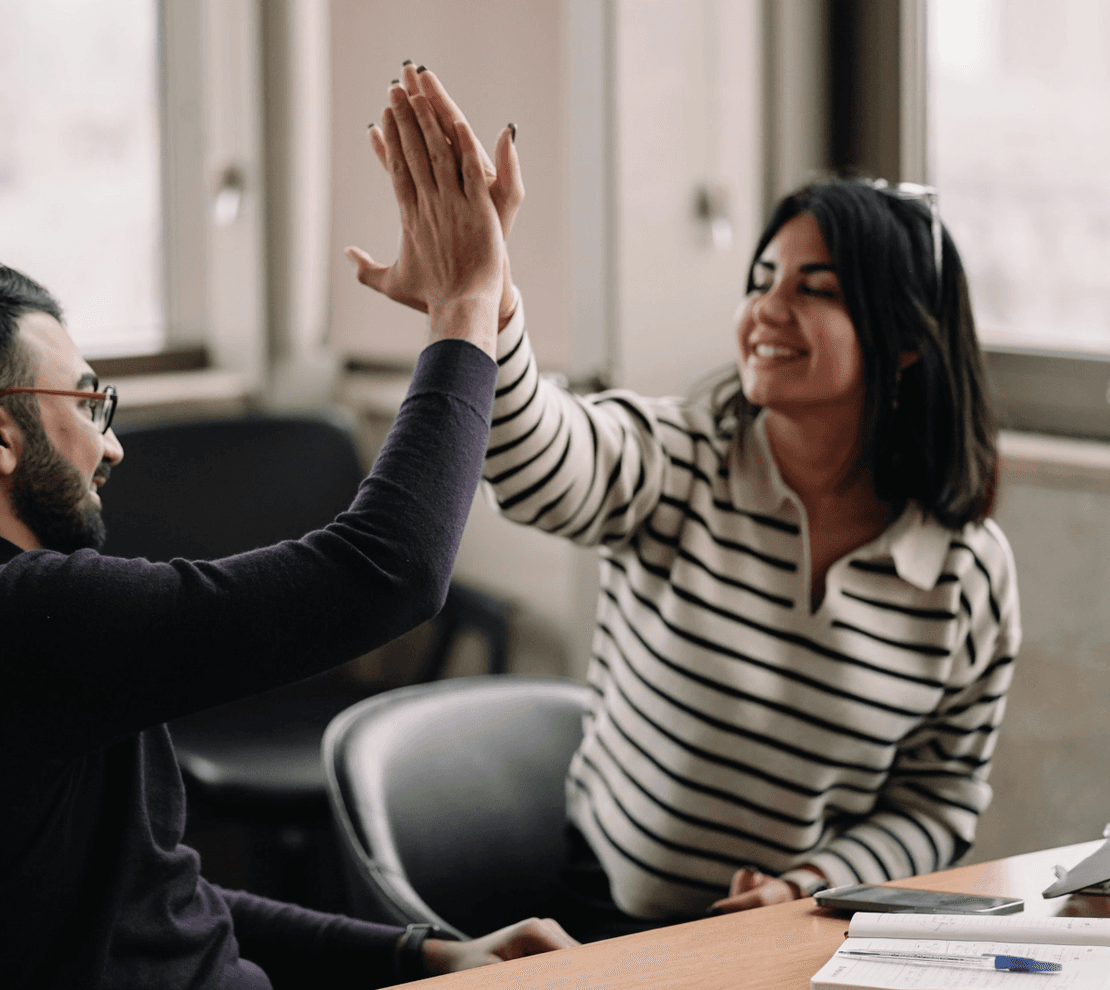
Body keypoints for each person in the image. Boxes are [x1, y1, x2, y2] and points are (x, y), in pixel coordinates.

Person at [0, 77, 576, 989]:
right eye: (89, 402)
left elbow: (148, 895)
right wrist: (467, 304)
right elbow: (389, 569)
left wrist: (431, 953)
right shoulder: (1, 620)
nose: (112, 445)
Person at [351, 68, 1021, 939]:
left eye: (814, 289)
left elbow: (939, 803)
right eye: (762, 279)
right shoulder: (683, 457)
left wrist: (813, 885)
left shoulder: (968, 577)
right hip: (609, 920)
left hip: (801, 931)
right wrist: (488, 303)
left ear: (906, 346)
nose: (765, 311)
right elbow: (533, 456)